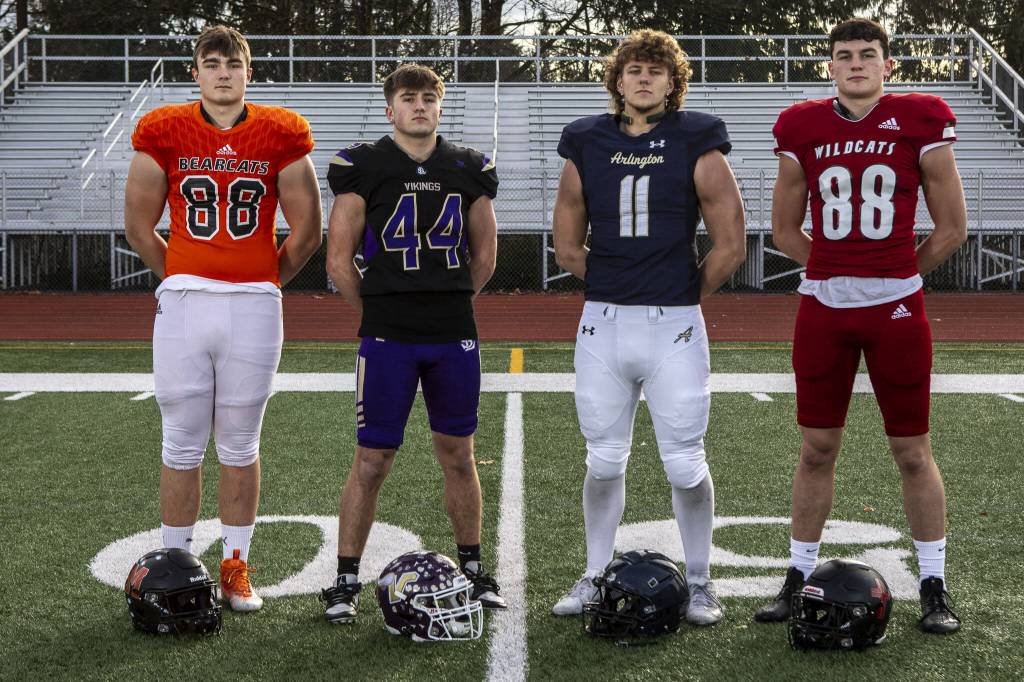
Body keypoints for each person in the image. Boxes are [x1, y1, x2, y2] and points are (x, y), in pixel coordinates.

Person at [754, 18, 966, 634]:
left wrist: (895, 273)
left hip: (897, 308)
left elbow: (951, 228)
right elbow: (786, 229)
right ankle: (797, 575)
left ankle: (933, 583)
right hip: (824, 305)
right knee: (817, 450)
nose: (855, 64)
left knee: (911, 451)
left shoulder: (923, 118)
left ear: (888, 66)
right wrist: (837, 267)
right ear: (829, 66)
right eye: (843, 55)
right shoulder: (802, 125)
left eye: (867, 55)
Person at [551, 29, 746, 626]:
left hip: (674, 325)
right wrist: (617, 280)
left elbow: (731, 241)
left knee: (685, 461)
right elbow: (566, 240)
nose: (643, 78)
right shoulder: (585, 139)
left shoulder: (697, 137)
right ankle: (593, 573)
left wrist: (681, 293)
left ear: (672, 82)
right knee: (604, 459)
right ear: (617, 79)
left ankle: (700, 579)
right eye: (633, 69)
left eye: (655, 71)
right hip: (604, 322)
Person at [124, 25, 323, 612]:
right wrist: (185, 275)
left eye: (233, 63)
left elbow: (307, 232)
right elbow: (139, 226)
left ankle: (235, 565)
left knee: (240, 444)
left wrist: (260, 282)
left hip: (254, 304)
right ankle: (176, 563)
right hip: (185, 301)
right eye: (212, 63)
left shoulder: (281, 131)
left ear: (249, 72)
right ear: (196, 72)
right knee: (181, 442)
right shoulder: (164, 129)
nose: (223, 73)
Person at [320, 64, 503, 624]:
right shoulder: (364, 166)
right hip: (388, 336)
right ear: (389, 110)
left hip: (452, 334)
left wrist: (441, 302)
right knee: (372, 460)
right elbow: (338, 260)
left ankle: (473, 569)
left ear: (440, 107)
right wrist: (382, 310)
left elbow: (486, 257)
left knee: (458, 455)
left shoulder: (468, 167)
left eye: (429, 98)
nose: (419, 106)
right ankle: (345, 579)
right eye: (408, 98)